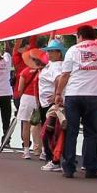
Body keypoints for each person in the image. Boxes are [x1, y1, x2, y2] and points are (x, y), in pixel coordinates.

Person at [55, 25, 97, 179]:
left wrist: (58, 93)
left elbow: (65, 74)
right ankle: (91, 168)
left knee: (71, 132)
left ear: (79, 36)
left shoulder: (73, 50)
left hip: (73, 94)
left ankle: (69, 168)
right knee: (91, 133)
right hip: (93, 95)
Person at [36, 38, 67, 171]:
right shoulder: (52, 65)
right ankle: (55, 159)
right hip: (49, 104)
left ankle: (53, 160)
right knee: (51, 132)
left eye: (51, 51)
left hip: (52, 105)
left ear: (59, 53)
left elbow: (60, 78)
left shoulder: (56, 66)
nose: (48, 53)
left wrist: (57, 94)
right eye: (48, 51)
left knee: (48, 133)